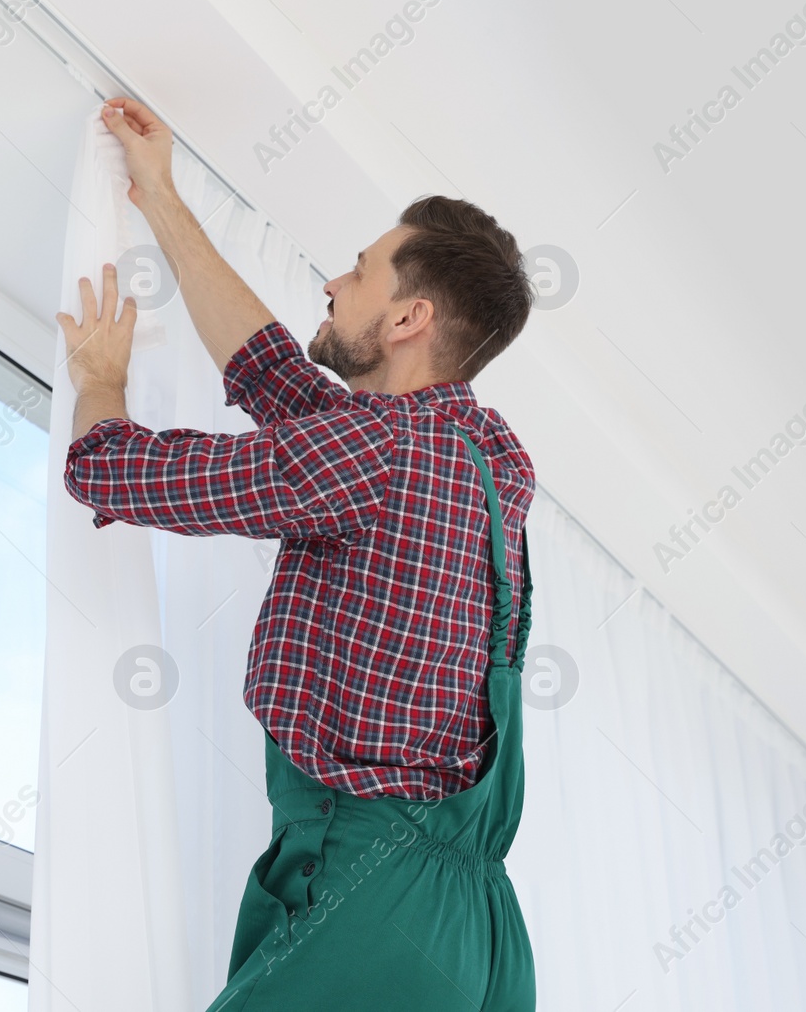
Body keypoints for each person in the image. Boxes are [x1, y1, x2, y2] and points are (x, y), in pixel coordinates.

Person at [58, 96, 538, 1011]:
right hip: (477, 932)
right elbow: (272, 373)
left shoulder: (376, 454)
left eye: (359, 273)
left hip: (375, 896)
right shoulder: (484, 463)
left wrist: (102, 383)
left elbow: (114, 473)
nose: (331, 283)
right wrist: (159, 196)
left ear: (409, 319)